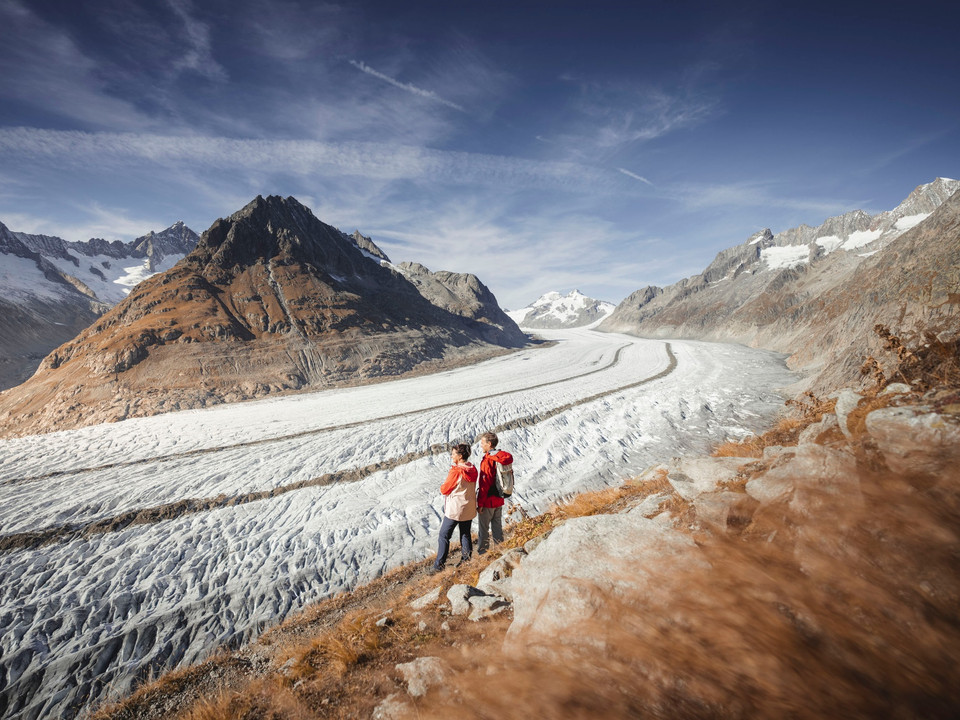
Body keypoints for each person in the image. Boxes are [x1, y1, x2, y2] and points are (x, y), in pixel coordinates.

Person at [432, 443, 478, 573]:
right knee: (465, 533)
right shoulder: (473, 469)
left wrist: (443, 486)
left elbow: (445, 489)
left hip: (455, 509)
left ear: (459, 455)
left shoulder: (456, 471)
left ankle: (439, 565)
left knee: (444, 535)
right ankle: (466, 560)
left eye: (453, 454)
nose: (451, 456)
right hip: (468, 507)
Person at [476, 431, 513, 554]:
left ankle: (483, 554)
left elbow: (484, 483)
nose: (481, 445)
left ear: (489, 444)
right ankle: (500, 551)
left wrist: (480, 503)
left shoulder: (488, 460)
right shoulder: (501, 457)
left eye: (482, 443)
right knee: (497, 528)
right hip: (499, 499)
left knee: (483, 529)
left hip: (487, 501)